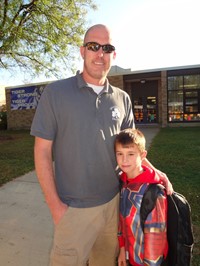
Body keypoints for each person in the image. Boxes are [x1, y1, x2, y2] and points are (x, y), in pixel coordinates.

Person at [30, 24, 172, 266]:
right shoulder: (56, 93)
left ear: (113, 55)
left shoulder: (122, 98)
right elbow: (42, 151)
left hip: (114, 204)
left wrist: (156, 173)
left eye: (107, 48)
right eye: (93, 46)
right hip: (73, 208)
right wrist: (56, 207)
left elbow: (133, 150)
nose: (100, 54)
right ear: (82, 51)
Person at [114, 128, 168, 266]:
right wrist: (122, 249)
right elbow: (121, 221)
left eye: (131, 154)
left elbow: (156, 238)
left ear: (143, 155)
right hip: (130, 257)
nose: (124, 160)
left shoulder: (153, 193)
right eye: (120, 154)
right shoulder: (123, 182)